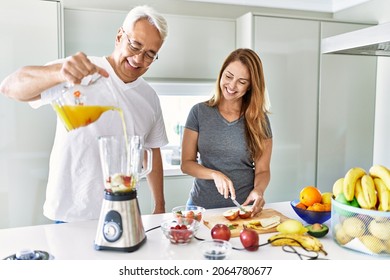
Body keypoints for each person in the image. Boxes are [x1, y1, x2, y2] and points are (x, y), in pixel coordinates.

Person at [0, 5, 168, 222]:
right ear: (119, 36)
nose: (138, 59)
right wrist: (59, 73)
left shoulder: (149, 98)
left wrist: (160, 205)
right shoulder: (79, 70)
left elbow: (153, 151)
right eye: (135, 45)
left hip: (122, 212)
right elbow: (10, 87)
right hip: (70, 213)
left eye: (149, 55)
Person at [180, 48, 273, 217]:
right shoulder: (199, 112)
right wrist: (214, 174)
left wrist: (259, 190)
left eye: (242, 81)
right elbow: (186, 164)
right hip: (200, 209)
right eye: (229, 76)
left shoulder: (259, 120)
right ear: (221, 73)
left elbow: (263, 170)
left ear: (251, 86)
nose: (232, 86)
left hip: (243, 210)